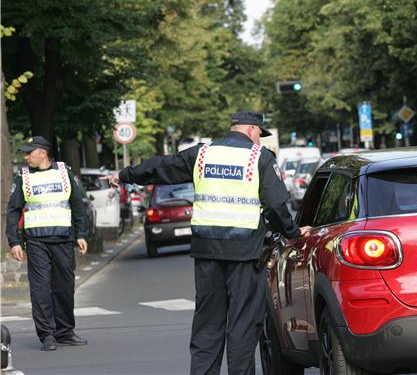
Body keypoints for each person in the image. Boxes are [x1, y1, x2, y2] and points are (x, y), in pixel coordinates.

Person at [102, 111, 310, 375]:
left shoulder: (202, 154)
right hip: (245, 254)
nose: (259, 140)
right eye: (259, 134)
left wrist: (125, 175)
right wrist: (293, 232)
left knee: (208, 325)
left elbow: (164, 167)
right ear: (251, 131)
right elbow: (277, 206)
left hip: (207, 252)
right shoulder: (259, 158)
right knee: (243, 326)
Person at [6, 136, 89, 351]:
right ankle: (47, 336)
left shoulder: (64, 173)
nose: (26, 157)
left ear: (42, 152)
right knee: (41, 290)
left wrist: (81, 234)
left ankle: (65, 332)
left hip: (63, 239)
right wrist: (14, 241)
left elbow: (77, 205)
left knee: (65, 288)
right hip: (36, 242)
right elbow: (13, 211)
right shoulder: (23, 177)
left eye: (29, 153)